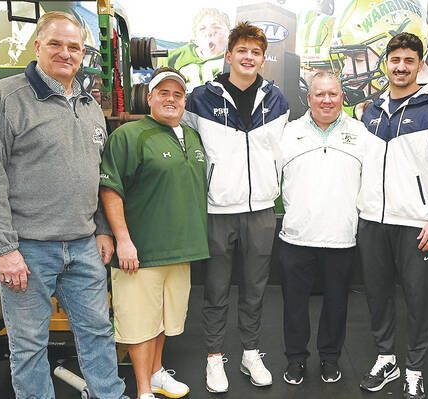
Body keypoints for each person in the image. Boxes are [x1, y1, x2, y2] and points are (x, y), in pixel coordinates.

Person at [0, 11, 127, 398]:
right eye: (56, 44)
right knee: (29, 345)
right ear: (37, 46)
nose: (66, 53)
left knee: (99, 332)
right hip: (27, 250)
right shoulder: (4, 98)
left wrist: (102, 229)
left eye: (75, 47)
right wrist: (3, 250)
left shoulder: (87, 104)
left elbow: (96, 173)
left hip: (83, 246)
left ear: (84, 54)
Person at [184, 21, 290, 393]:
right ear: (229, 55)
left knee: (255, 288)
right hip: (217, 210)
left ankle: (250, 351)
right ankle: (215, 357)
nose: (248, 57)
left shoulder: (277, 101)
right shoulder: (200, 99)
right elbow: (187, 151)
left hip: (261, 210)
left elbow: (280, 154)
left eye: (256, 52)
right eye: (242, 50)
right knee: (215, 289)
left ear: (263, 58)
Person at [356, 32, 428, 398]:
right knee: (377, 295)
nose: (401, 67)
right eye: (395, 60)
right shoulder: (371, 109)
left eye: (408, 61)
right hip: (372, 221)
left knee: (417, 299)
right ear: (387, 63)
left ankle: (414, 368)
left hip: (417, 224)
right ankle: (387, 358)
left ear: (420, 64)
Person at [99, 67, 209, 399]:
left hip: (181, 250)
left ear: (184, 101)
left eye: (177, 94)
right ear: (149, 97)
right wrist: (124, 241)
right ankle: (144, 390)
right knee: (140, 324)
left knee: (164, 319)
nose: (171, 99)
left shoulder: (192, 136)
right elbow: (110, 190)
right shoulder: (130, 136)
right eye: (163, 92)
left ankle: (158, 374)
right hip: (141, 252)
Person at [279, 72, 377, 385]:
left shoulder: (361, 134)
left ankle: (330, 358)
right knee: (294, 305)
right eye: (319, 94)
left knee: (336, 303)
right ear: (309, 99)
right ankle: (295, 359)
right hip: (296, 235)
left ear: (342, 97)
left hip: (341, 236)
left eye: (333, 94)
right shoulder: (288, 133)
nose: (327, 100)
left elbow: (371, 182)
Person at [159, 8, 231, 91]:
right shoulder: (176, 56)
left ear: (228, 34)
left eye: (216, 27)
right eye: (202, 28)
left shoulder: (235, 59)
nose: (209, 32)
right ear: (195, 38)